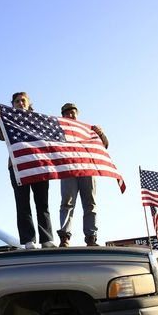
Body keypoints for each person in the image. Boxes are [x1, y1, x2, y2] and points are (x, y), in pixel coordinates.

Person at [0, 92, 55, 249]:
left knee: (42, 203)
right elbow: (2, 136)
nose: (20, 103)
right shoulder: (8, 119)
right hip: (17, 165)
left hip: (39, 164)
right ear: (12, 105)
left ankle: (47, 239)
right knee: (22, 203)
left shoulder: (38, 121)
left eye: (23, 101)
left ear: (29, 103)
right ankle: (29, 240)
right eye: (17, 101)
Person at [57, 103, 109, 247]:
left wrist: (101, 133)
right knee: (67, 203)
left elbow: (104, 145)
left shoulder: (87, 130)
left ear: (77, 114)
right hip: (69, 170)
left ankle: (91, 237)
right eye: (67, 113)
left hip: (87, 169)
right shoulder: (59, 130)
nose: (70, 115)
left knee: (90, 204)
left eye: (73, 112)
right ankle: (64, 237)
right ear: (63, 115)